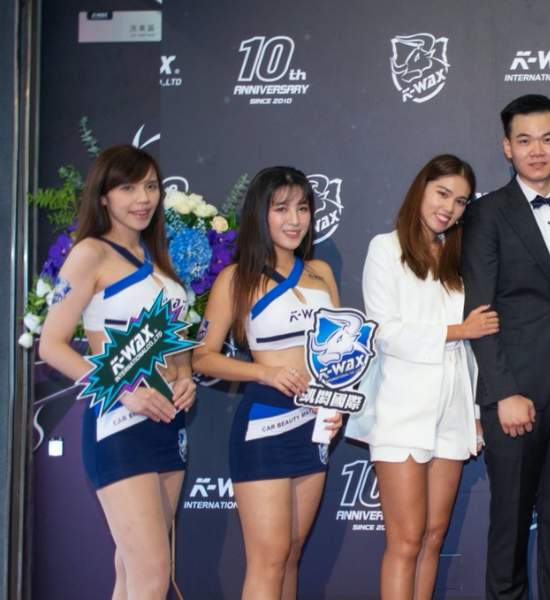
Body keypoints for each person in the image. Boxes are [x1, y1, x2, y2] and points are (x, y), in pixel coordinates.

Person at [461, 93, 550, 599]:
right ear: (507, 147)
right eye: (524, 141)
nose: (536, 150)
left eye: (547, 139)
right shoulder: (486, 214)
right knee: (510, 526)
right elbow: (479, 309)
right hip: (515, 392)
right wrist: (503, 392)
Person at [39, 144, 195, 600]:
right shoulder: (90, 254)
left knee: (132, 573)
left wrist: (185, 377)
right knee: (152, 574)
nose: (143, 198)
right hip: (120, 423)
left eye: (150, 186)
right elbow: (52, 345)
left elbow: (176, 343)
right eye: (128, 188)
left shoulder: (157, 258)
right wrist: (124, 390)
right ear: (104, 196)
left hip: (168, 423)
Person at [192, 166, 342, 600]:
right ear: (261, 213)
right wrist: (265, 372)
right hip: (264, 423)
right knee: (268, 558)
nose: (294, 220)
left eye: (302, 208)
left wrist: (336, 404)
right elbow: (202, 357)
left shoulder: (320, 273)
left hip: (314, 426)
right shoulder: (236, 278)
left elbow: (341, 351)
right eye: (281, 209)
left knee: (291, 554)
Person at [354, 154, 495, 599]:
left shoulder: (457, 258)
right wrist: (457, 330)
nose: (449, 208)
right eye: (442, 194)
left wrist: (475, 413)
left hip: (452, 411)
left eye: (461, 201)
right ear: (421, 188)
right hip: (400, 410)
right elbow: (383, 332)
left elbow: (472, 350)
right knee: (406, 540)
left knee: (434, 535)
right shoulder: (385, 249)